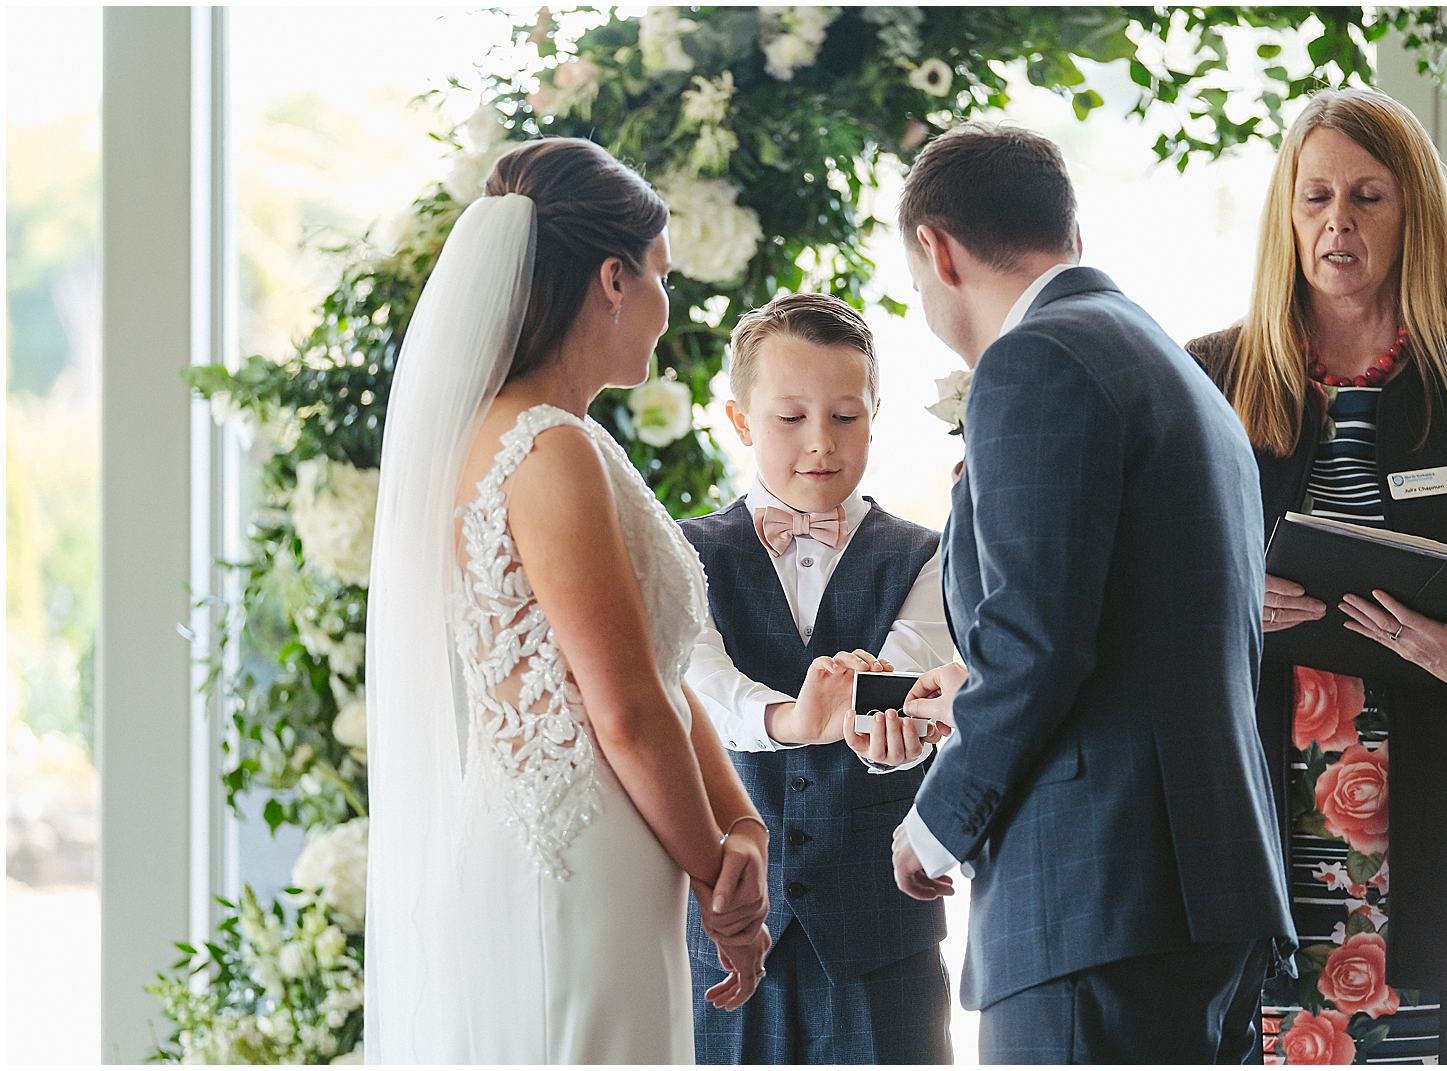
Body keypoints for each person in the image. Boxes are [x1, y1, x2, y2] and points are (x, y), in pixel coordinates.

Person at [1185, 87, 1447, 1065]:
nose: (1338, 223)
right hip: (1267, 825)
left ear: (1414, 216)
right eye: (1314, 198)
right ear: (1286, 215)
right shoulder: (1213, 378)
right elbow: (1150, 591)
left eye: (1366, 196)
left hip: (1438, 831)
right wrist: (1225, 608)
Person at [888, 121, 1294, 1064]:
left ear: (935, 251)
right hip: (1203, 888)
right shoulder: (1171, 368)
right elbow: (1134, 632)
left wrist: (934, 826)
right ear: (1069, 232)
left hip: (1099, 899)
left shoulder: (1036, 361)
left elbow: (1038, 643)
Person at [364, 137, 772, 1063]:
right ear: (614, 279)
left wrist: (738, 824)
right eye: (663, 276)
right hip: (578, 863)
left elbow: (656, 673)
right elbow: (621, 707)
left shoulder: (544, 438)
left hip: (585, 848)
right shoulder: (547, 449)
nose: (673, 309)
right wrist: (721, 881)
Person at [682, 292, 957, 1063]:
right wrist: (791, 721)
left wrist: (887, 739)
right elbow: (699, 684)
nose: (820, 444)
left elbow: (903, 687)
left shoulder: (927, 554)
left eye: (845, 417)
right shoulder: (684, 551)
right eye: (790, 417)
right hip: (729, 929)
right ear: (740, 421)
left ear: (875, 416)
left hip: (880, 934)